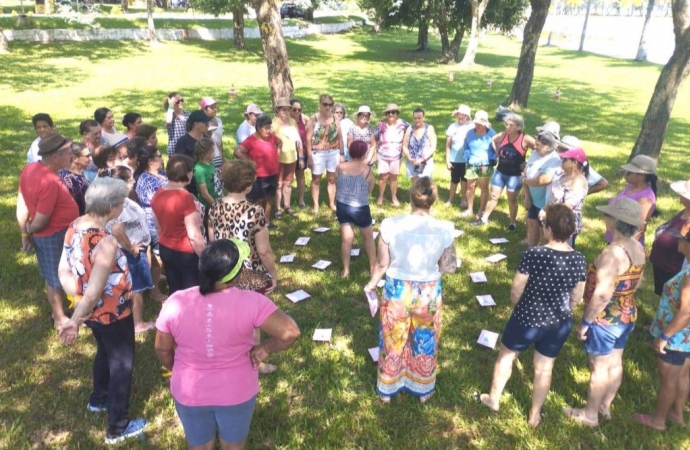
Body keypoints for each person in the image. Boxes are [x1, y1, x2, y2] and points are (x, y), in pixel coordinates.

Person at [154, 238, 300, 449]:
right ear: (237, 273)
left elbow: (162, 348)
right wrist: (265, 348)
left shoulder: (176, 301)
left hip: (189, 390)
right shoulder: (253, 301)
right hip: (237, 391)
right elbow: (291, 332)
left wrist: (175, 369)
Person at [57, 177, 147, 445]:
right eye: (121, 202)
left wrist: (76, 298)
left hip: (92, 315)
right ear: (110, 207)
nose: (123, 206)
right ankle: (118, 427)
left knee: (105, 352)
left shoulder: (74, 226)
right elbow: (95, 291)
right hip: (112, 314)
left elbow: (63, 269)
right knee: (122, 363)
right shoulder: (104, 242)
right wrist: (74, 320)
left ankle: (99, 399)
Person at [478, 204, 586, 427]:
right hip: (559, 322)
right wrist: (569, 309)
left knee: (506, 357)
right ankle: (535, 414)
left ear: (548, 229)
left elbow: (517, 288)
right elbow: (578, 294)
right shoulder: (579, 259)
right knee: (544, 368)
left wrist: (518, 306)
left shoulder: (533, 254)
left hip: (526, 318)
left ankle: (493, 399)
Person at [364, 177, 457, 403]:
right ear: (433, 200)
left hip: (397, 290)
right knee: (426, 338)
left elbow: (382, 264)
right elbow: (450, 267)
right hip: (429, 292)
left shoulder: (390, 225)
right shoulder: (445, 229)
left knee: (392, 338)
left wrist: (371, 283)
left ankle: (387, 388)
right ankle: (423, 388)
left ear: (410, 197)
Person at [564, 198, 646, 426]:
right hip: (627, 314)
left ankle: (590, 415)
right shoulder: (637, 247)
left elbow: (602, 295)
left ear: (616, 221)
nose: (604, 218)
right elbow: (637, 282)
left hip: (605, 320)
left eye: (608, 215)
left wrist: (586, 323)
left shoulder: (613, 254)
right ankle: (604, 406)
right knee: (615, 361)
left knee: (598, 366)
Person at [208, 160, 280, 375]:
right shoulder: (255, 211)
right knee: (252, 321)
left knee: (225, 317)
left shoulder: (214, 206)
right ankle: (254, 363)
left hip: (221, 271)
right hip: (249, 273)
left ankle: (226, 357)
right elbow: (264, 250)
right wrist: (273, 274)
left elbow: (213, 241)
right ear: (249, 185)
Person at [17, 132, 79, 328]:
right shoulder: (49, 181)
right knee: (54, 277)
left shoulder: (30, 168)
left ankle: (65, 311)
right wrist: (30, 230)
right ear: (55, 157)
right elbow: (42, 220)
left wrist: (25, 234)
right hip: (53, 235)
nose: (71, 156)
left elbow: (23, 202)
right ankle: (59, 318)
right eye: (68, 153)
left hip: (56, 233)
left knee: (56, 274)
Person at [633, 228, 690, 431]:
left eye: (682, 240)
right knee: (682, 376)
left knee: (668, 379)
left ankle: (658, 420)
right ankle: (676, 414)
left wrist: (664, 336)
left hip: (676, 337)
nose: (678, 242)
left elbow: (686, 312)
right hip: (686, 338)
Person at [108, 166, 155, 335]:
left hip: (136, 249)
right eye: (130, 180)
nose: (133, 182)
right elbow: (117, 230)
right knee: (137, 289)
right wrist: (132, 248)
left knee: (135, 288)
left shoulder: (124, 200)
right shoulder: (119, 204)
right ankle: (138, 323)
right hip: (130, 253)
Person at [150, 155, 206, 295]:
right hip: (186, 253)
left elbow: (158, 226)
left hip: (166, 248)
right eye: (191, 170)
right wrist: (205, 257)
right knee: (192, 293)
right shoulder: (185, 198)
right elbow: (194, 235)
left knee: (175, 290)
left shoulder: (158, 193)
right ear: (186, 173)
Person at [474, 113, 535, 230]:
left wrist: (528, 163)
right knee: (493, 196)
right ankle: (484, 218)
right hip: (500, 172)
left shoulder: (525, 138)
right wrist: (497, 151)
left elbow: (538, 149)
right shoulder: (503, 135)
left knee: (512, 199)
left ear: (518, 127)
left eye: (510, 125)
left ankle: (512, 223)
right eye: (506, 124)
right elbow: (493, 139)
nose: (507, 127)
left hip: (515, 175)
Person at [335, 141, 376, 278]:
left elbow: (337, 184)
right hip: (360, 208)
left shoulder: (340, 167)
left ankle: (346, 271)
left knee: (346, 239)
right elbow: (369, 190)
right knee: (368, 238)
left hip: (342, 206)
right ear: (364, 153)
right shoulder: (368, 170)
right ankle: (372, 268)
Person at [133, 145, 168, 302]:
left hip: (163, 218)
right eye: (159, 156)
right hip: (154, 222)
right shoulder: (146, 179)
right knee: (157, 256)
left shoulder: (159, 173)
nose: (162, 158)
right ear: (150, 161)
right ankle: (154, 290)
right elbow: (157, 203)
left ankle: (155, 278)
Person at [234, 114, 281, 228]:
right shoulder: (251, 140)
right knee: (257, 200)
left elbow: (279, 142)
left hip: (273, 173)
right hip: (259, 175)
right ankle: (254, 223)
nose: (268, 130)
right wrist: (250, 163)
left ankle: (267, 221)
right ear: (258, 128)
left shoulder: (272, 137)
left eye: (270, 127)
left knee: (268, 198)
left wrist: (277, 153)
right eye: (266, 127)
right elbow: (238, 152)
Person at [538, 147, 589, 248]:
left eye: (565, 160)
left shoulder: (578, 182)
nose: (562, 161)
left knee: (560, 250)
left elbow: (567, 207)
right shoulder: (563, 176)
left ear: (574, 163)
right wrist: (544, 210)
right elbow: (553, 198)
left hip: (564, 223)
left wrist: (548, 215)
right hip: (553, 217)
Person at [604, 155, 657, 245]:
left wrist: (621, 247)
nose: (626, 174)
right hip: (615, 238)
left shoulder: (646, 197)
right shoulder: (630, 186)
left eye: (630, 172)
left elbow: (639, 228)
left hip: (625, 244)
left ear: (641, 175)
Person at [650, 179, 690, 296]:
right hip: (663, 265)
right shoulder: (685, 211)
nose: (680, 194)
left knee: (672, 302)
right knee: (663, 298)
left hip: (674, 269)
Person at [521, 131, 562, 247]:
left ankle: (542, 254)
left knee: (543, 230)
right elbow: (526, 173)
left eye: (538, 145)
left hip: (544, 203)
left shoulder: (554, 160)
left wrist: (523, 181)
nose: (535, 146)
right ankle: (531, 251)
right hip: (533, 199)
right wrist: (527, 195)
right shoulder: (535, 153)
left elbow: (542, 180)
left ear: (547, 146)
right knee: (533, 224)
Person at [306, 94, 341, 213]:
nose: (328, 107)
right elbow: (308, 139)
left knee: (332, 179)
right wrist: (309, 156)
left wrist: (341, 154)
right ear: (320, 104)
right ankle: (316, 205)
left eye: (330, 104)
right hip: (318, 153)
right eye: (325, 104)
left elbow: (340, 137)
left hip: (333, 152)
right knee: (316, 179)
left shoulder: (336, 118)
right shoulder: (313, 119)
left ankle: (332, 203)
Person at [462, 110, 497, 219]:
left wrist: (493, 158)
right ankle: (469, 209)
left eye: (479, 124)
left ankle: (481, 210)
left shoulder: (492, 134)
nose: (476, 125)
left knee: (484, 187)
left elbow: (497, 150)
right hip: (472, 163)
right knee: (470, 186)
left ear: (485, 124)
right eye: (475, 123)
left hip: (485, 165)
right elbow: (465, 145)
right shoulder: (470, 133)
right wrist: (466, 153)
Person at [272, 97, 301, 218]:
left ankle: (287, 206)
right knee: (278, 183)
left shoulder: (293, 122)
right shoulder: (273, 124)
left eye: (288, 109)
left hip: (292, 156)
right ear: (277, 110)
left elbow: (298, 140)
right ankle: (278, 208)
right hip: (278, 158)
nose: (286, 112)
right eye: (283, 110)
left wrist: (302, 156)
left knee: (288, 182)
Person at [374, 103, 408, 207]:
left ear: (397, 113)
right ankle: (380, 196)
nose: (390, 114)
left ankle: (394, 197)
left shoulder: (403, 124)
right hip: (382, 154)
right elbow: (374, 138)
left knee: (393, 177)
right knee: (383, 176)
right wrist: (375, 153)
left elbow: (411, 132)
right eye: (388, 112)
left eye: (393, 112)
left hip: (396, 155)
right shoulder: (381, 124)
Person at [445, 104, 474, 207]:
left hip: (467, 160)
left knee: (464, 180)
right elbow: (448, 145)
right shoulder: (452, 127)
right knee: (454, 180)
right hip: (454, 159)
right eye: (459, 114)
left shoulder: (471, 127)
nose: (461, 116)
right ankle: (450, 199)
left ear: (467, 117)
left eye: (464, 115)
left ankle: (463, 199)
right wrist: (447, 160)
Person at [402, 107, 436, 183]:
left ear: (424, 118)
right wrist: (409, 158)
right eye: (415, 118)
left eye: (419, 118)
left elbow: (433, 146)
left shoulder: (429, 128)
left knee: (425, 184)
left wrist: (423, 159)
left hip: (425, 161)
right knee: (415, 184)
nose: (417, 120)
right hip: (412, 161)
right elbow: (404, 146)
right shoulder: (409, 129)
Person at [59, 142, 91, 216]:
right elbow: (67, 205)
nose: (90, 159)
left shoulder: (78, 172)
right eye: (87, 156)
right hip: (77, 220)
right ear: (75, 159)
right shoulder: (71, 181)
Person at [290, 98, 309, 209]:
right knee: (288, 177)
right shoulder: (286, 120)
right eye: (294, 109)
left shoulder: (304, 119)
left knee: (300, 176)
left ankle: (301, 200)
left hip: (302, 152)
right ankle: (285, 199)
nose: (297, 112)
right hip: (288, 153)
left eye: (299, 110)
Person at [194, 136, 222, 212]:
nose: (214, 154)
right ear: (205, 152)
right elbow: (204, 194)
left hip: (218, 200)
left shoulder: (211, 164)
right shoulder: (200, 169)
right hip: (208, 206)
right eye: (212, 151)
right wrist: (216, 206)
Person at [200, 97, 224, 169]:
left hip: (218, 155)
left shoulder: (219, 120)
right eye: (212, 108)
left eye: (215, 107)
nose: (215, 110)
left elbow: (220, 142)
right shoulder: (202, 123)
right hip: (208, 158)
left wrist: (222, 157)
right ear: (204, 109)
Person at [165, 92, 190, 158]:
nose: (180, 103)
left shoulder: (187, 114)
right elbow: (168, 121)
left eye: (181, 100)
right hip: (174, 150)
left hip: (187, 148)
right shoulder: (170, 114)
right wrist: (170, 105)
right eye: (177, 101)